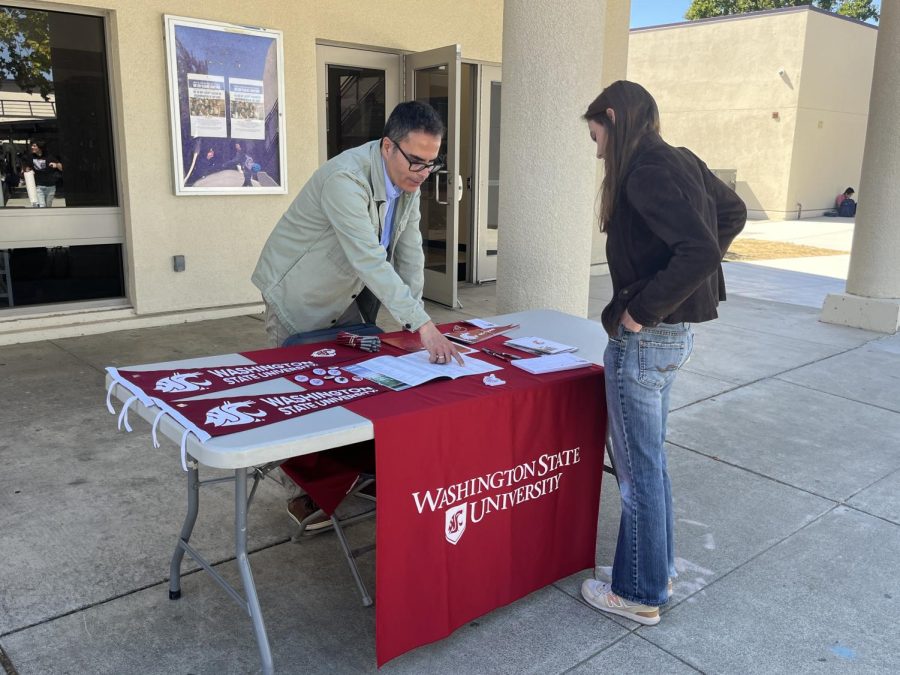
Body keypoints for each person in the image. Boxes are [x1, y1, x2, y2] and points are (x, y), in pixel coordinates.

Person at [579, 81, 746, 625]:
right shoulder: (680, 160)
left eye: (595, 131)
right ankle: (651, 569)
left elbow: (699, 247)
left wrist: (642, 308)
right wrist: (674, 289)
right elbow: (731, 214)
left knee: (638, 472)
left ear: (611, 116)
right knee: (648, 464)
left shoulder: (647, 169)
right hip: (670, 338)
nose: (595, 144)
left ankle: (640, 592)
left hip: (649, 339)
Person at [252, 100, 462, 528]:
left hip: (347, 294)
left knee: (354, 390)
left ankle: (346, 473)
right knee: (302, 395)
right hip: (299, 292)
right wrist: (422, 326)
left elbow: (410, 251)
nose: (422, 173)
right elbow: (369, 259)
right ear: (388, 147)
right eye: (416, 161)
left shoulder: (408, 184)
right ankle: (302, 494)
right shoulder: (345, 179)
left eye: (431, 164)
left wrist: (415, 319)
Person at [26, 141, 63, 207]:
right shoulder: (31, 157)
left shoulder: (49, 157)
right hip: (39, 187)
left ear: (40, 148)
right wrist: (29, 170)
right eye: (32, 146)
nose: (32, 147)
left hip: (51, 187)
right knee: (42, 206)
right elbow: (27, 168)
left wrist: (56, 165)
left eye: (34, 146)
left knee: (48, 207)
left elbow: (61, 168)